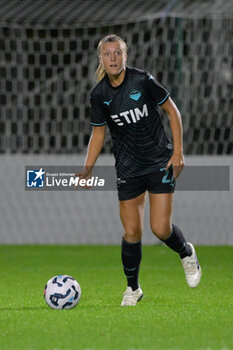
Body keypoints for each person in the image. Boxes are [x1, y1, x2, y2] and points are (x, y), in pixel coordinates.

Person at [77, 34, 202, 306]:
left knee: (160, 229)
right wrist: (87, 170)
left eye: (117, 53)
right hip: (128, 168)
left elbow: (172, 111)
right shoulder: (98, 95)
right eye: (107, 54)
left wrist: (178, 152)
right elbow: (98, 135)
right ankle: (133, 289)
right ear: (101, 59)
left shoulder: (141, 80)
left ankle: (186, 252)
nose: (112, 58)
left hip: (159, 161)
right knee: (132, 232)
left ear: (125, 56)